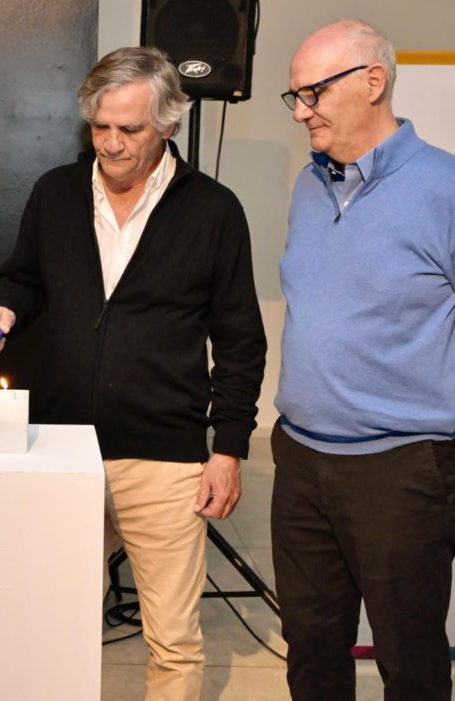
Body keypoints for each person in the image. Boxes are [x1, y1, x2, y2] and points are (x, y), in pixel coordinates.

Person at [0, 47, 266, 700]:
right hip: (62, 447)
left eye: (129, 129)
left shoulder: (214, 211)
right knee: (50, 625)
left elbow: (241, 341)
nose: (110, 143)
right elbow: (23, 278)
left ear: (168, 124)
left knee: (174, 642)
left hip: (165, 457)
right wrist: (5, 308)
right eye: (100, 126)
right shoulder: (56, 192)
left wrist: (229, 449)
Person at [273, 20, 455, 700]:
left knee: (409, 660)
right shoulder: (308, 184)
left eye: (313, 92)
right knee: (311, 652)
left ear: (373, 82)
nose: (300, 111)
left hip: (401, 469)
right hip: (299, 458)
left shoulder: (444, 188)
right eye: (295, 96)